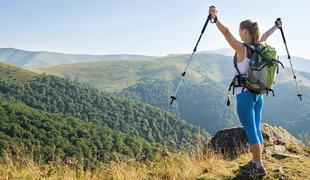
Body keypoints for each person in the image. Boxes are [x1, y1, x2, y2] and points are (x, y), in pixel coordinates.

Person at [208, 5, 282, 176]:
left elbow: (226, 33)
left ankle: (258, 166)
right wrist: (276, 27)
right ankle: (256, 161)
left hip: (244, 96)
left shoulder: (242, 49)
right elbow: (266, 35)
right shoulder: (259, 46)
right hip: (258, 96)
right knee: (255, 128)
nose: (238, 33)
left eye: (240, 30)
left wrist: (215, 18)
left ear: (245, 31)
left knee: (251, 130)